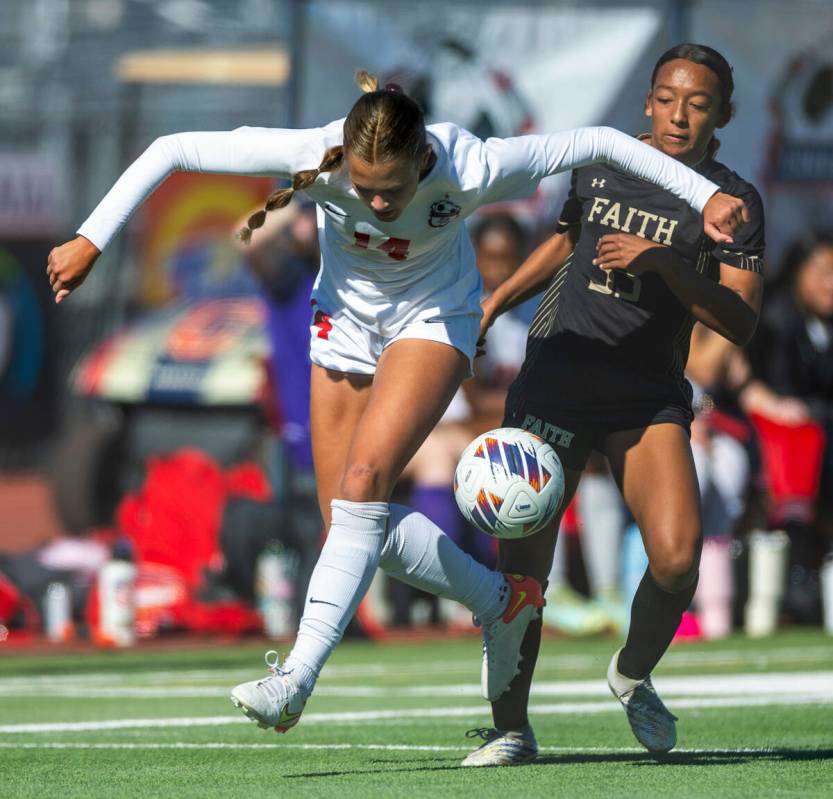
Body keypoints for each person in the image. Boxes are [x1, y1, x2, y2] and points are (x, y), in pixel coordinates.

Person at [46, 69, 747, 738]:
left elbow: (599, 141)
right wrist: (91, 236)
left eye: (394, 190)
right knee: (348, 529)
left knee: (362, 485)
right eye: (365, 188)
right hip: (343, 328)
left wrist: (702, 195)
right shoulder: (313, 155)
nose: (379, 204)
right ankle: (501, 601)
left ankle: (294, 677)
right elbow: (174, 148)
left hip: (433, 320)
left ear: (423, 161)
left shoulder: (472, 164)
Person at [466, 44, 764, 765]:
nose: (678, 114)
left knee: (675, 559)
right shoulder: (602, 160)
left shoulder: (731, 201)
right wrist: (496, 298)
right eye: (665, 97)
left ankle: (631, 674)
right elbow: (566, 240)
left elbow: (740, 320)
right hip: (556, 383)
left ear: (722, 114)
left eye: (696, 103)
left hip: (644, 394)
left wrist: (664, 263)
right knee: (521, 574)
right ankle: (509, 727)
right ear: (646, 101)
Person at [741, 230, 833, 622]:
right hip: (777, 437)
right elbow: (772, 392)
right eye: (823, 272)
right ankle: (796, 577)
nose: (831, 284)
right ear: (798, 272)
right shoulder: (777, 320)